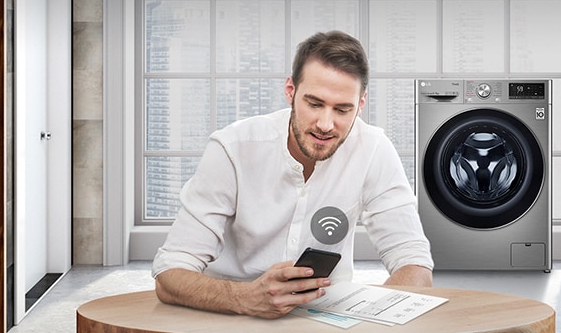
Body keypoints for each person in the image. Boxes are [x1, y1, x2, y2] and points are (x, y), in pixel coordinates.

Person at [152, 31, 433, 319]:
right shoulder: (232, 148)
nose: (326, 124)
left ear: (360, 105)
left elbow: (413, 261)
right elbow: (169, 274)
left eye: (342, 109)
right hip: (233, 315)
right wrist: (243, 298)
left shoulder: (373, 148)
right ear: (290, 91)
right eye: (314, 104)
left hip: (326, 318)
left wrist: (375, 320)